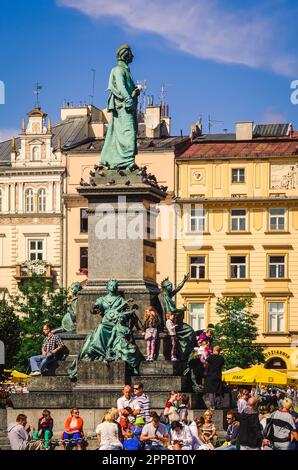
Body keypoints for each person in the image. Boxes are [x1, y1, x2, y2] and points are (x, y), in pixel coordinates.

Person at [100, 44, 141, 170]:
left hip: (129, 107)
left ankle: (124, 161)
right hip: (124, 107)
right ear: (125, 55)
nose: (133, 56)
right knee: (129, 132)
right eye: (130, 54)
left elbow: (128, 88)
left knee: (126, 133)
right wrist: (128, 99)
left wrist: (135, 91)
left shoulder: (126, 71)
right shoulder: (118, 70)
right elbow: (121, 87)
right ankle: (127, 161)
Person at [205, 346, 225, 410]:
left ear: (213, 350)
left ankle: (212, 406)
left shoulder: (210, 357)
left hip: (210, 376)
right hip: (218, 376)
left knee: (211, 391)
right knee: (218, 391)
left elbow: (206, 365)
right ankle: (218, 405)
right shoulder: (221, 358)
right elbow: (222, 366)